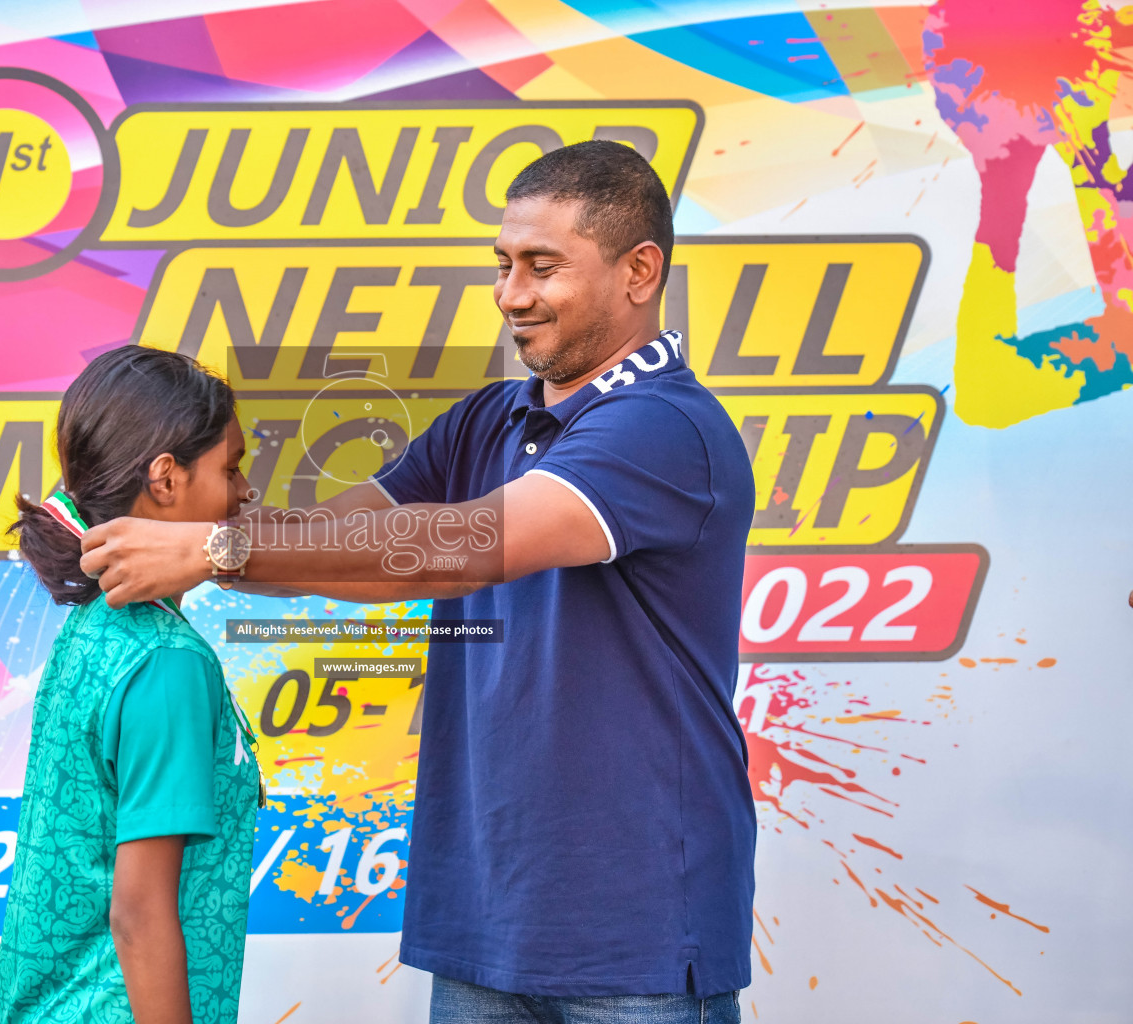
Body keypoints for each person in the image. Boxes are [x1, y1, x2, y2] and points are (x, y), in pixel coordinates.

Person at [81, 141, 755, 1024]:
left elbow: (468, 544)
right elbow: (340, 538)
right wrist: (157, 516)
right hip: (481, 918)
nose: (512, 294)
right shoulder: (490, 416)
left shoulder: (665, 428)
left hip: (638, 936)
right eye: (504, 265)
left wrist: (214, 550)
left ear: (639, 271)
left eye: (543, 267)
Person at [0, 346, 261, 1024]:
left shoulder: (96, 631)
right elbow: (140, 916)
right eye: (229, 468)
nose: (245, 491)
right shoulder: (167, 664)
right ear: (166, 479)